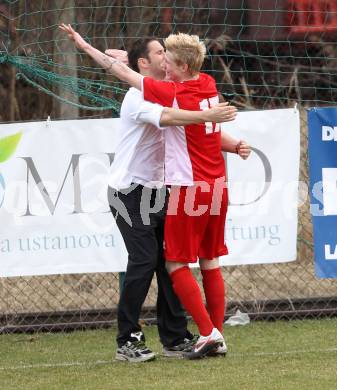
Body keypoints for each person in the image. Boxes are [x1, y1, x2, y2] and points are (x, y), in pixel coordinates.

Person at [59, 25, 251, 359]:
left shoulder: (175, 86)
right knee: (146, 260)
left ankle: (176, 338)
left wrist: (232, 143)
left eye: (167, 52)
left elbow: (196, 131)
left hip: (161, 189)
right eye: (159, 52)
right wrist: (92, 49)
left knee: (170, 264)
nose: (165, 56)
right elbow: (174, 117)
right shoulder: (141, 98)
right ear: (145, 65)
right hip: (129, 191)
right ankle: (128, 339)